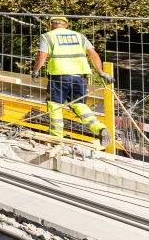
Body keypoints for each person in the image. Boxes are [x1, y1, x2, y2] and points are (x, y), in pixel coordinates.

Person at [32, 16, 113, 145]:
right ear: (66, 25)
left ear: (51, 24)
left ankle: (56, 138)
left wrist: (35, 71)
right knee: (80, 105)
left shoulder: (47, 36)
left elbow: (41, 56)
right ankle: (100, 128)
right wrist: (101, 72)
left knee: (55, 105)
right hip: (79, 76)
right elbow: (94, 55)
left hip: (59, 75)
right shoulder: (79, 36)